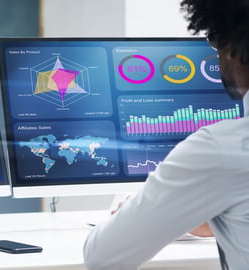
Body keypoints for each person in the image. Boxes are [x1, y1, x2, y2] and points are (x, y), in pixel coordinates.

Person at [83, 0, 249, 269]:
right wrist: (220, 218)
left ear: (231, 48)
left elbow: (102, 256)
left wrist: (140, 211)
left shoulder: (218, 149)